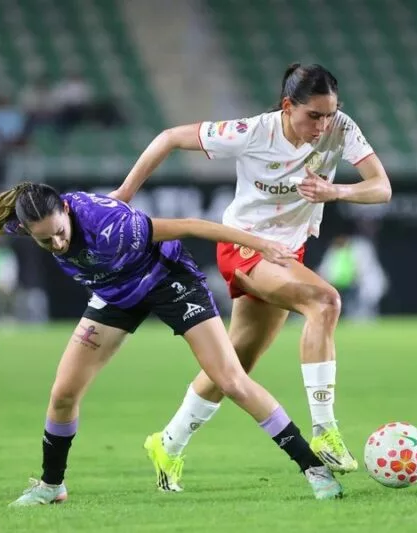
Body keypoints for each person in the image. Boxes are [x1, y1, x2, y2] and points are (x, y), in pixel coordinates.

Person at [0, 182, 344, 504]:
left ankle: (312, 468)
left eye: (59, 233)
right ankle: (51, 486)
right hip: (114, 295)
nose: (56, 244)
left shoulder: (113, 223)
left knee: (231, 380)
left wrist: (259, 245)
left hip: (166, 281)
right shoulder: (31, 221)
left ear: (66, 210)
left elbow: (194, 226)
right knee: (63, 394)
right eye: (44, 241)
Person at [111, 63, 392, 491]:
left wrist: (338, 191)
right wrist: (125, 195)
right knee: (325, 301)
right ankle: (325, 431)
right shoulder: (252, 131)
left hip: (287, 252)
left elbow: (381, 187)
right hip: (244, 245)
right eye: (313, 115)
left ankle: (167, 443)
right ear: (287, 106)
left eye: (329, 114)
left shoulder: (341, 128)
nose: (322, 125)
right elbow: (168, 138)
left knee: (235, 364)